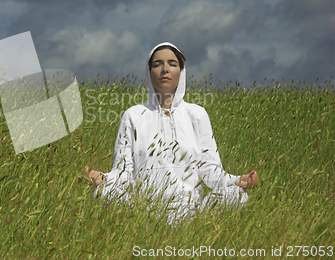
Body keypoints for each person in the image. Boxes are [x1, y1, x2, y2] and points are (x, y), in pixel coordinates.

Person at [84, 42, 258, 222]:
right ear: (149, 71)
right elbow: (123, 171)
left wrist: (238, 181)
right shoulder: (133, 115)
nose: (165, 69)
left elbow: (210, 170)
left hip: (191, 209)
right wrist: (103, 178)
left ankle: (193, 223)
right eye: (157, 64)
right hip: (143, 209)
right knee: (103, 193)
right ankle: (146, 223)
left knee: (237, 195)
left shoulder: (197, 114)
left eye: (172, 64)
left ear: (181, 72)